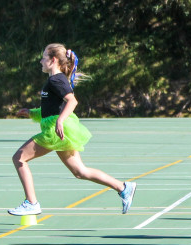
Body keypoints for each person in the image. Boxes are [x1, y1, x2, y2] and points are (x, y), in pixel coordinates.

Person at [10, 43, 137, 217]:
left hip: (55, 131)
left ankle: (31, 203)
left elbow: (72, 101)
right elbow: (51, 110)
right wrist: (31, 113)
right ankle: (123, 187)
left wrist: (60, 121)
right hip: (59, 129)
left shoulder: (56, 80)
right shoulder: (55, 80)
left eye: (43, 57)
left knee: (19, 158)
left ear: (53, 60)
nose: (40, 61)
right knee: (80, 171)